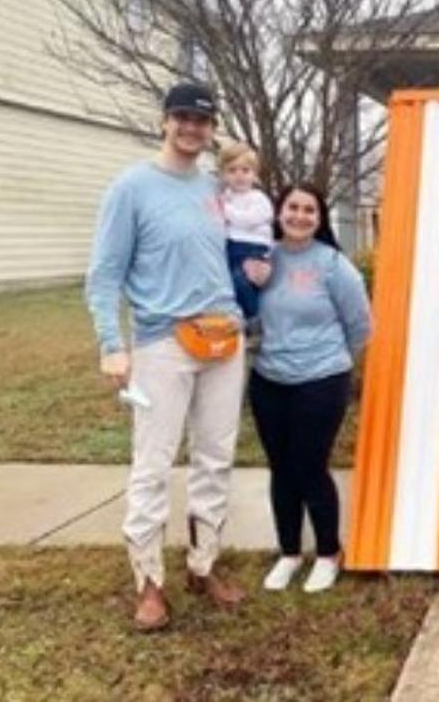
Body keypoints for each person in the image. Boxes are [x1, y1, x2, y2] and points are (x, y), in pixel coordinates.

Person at [85, 82, 268, 631]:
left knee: (215, 456)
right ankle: (148, 582)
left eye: (203, 120)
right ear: (165, 120)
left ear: (212, 129)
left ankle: (202, 565)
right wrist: (112, 345)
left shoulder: (218, 190)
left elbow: (246, 242)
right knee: (154, 464)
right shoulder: (132, 188)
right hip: (163, 343)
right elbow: (104, 275)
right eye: (183, 117)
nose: (192, 127)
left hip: (223, 340)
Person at [248, 183, 371, 593]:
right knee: (281, 469)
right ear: (279, 213)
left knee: (309, 467)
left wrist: (326, 359)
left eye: (310, 210)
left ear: (319, 219)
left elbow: (360, 325)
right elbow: (247, 311)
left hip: (321, 381)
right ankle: (288, 553)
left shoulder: (333, 265)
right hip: (268, 380)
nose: (300, 216)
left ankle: (327, 552)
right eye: (292, 208)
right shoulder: (262, 257)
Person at [218, 142, 274, 321]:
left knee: (240, 280)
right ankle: (239, 315)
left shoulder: (258, 198)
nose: (239, 175)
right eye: (232, 170)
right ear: (224, 174)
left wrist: (226, 211)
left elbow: (248, 221)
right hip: (231, 246)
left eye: (245, 170)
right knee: (229, 284)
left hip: (252, 248)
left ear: (254, 175)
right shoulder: (225, 196)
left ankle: (255, 316)